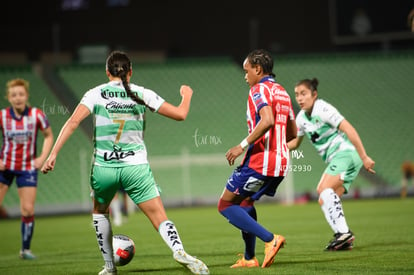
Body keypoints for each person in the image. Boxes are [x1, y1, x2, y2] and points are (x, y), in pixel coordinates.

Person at [41, 50, 209, 275]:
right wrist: (186, 94)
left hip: (104, 168)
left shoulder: (95, 93)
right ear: (130, 71)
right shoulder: (141, 93)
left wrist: (52, 154)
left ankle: (109, 267)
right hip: (136, 167)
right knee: (159, 215)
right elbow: (180, 114)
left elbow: (72, 122)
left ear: (107, 71)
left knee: (100, 212)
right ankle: (179, 250)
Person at [218, 49, 297, 269]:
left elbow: (267, 120)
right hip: (281, 162)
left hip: (260, 161)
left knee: (225, 205)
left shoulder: (257, 90)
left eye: (247, 71)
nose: (245, 76)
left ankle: (270, 239)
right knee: (245, 202)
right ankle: (249, 258)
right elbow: (292, 132)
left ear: (258, 69)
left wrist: (241, 146)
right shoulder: (282, 92)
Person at [288, 78, 375, 251]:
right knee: (324, 199)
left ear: (314, 94)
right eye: (297, 94)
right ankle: (342, 238)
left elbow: (349, 129)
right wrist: (275, 149)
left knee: (323, 188)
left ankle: (344, 233)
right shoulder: (301, 118)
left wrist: (364, 156)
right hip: (339, 159)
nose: (299, 98)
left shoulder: (323, 109)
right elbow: (295, 144)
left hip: (346, 154)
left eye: (303, 94)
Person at [0, 78, 54, 259]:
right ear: (8, 97)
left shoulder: (36, 115)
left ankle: (25, 250)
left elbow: (48, 136)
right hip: (5, 166)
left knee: (28, 210)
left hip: (27, 168)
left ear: (27, 96)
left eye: (21, 94)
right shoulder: (2, 116)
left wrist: (42, 158)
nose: (18, 98)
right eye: (14, 95)